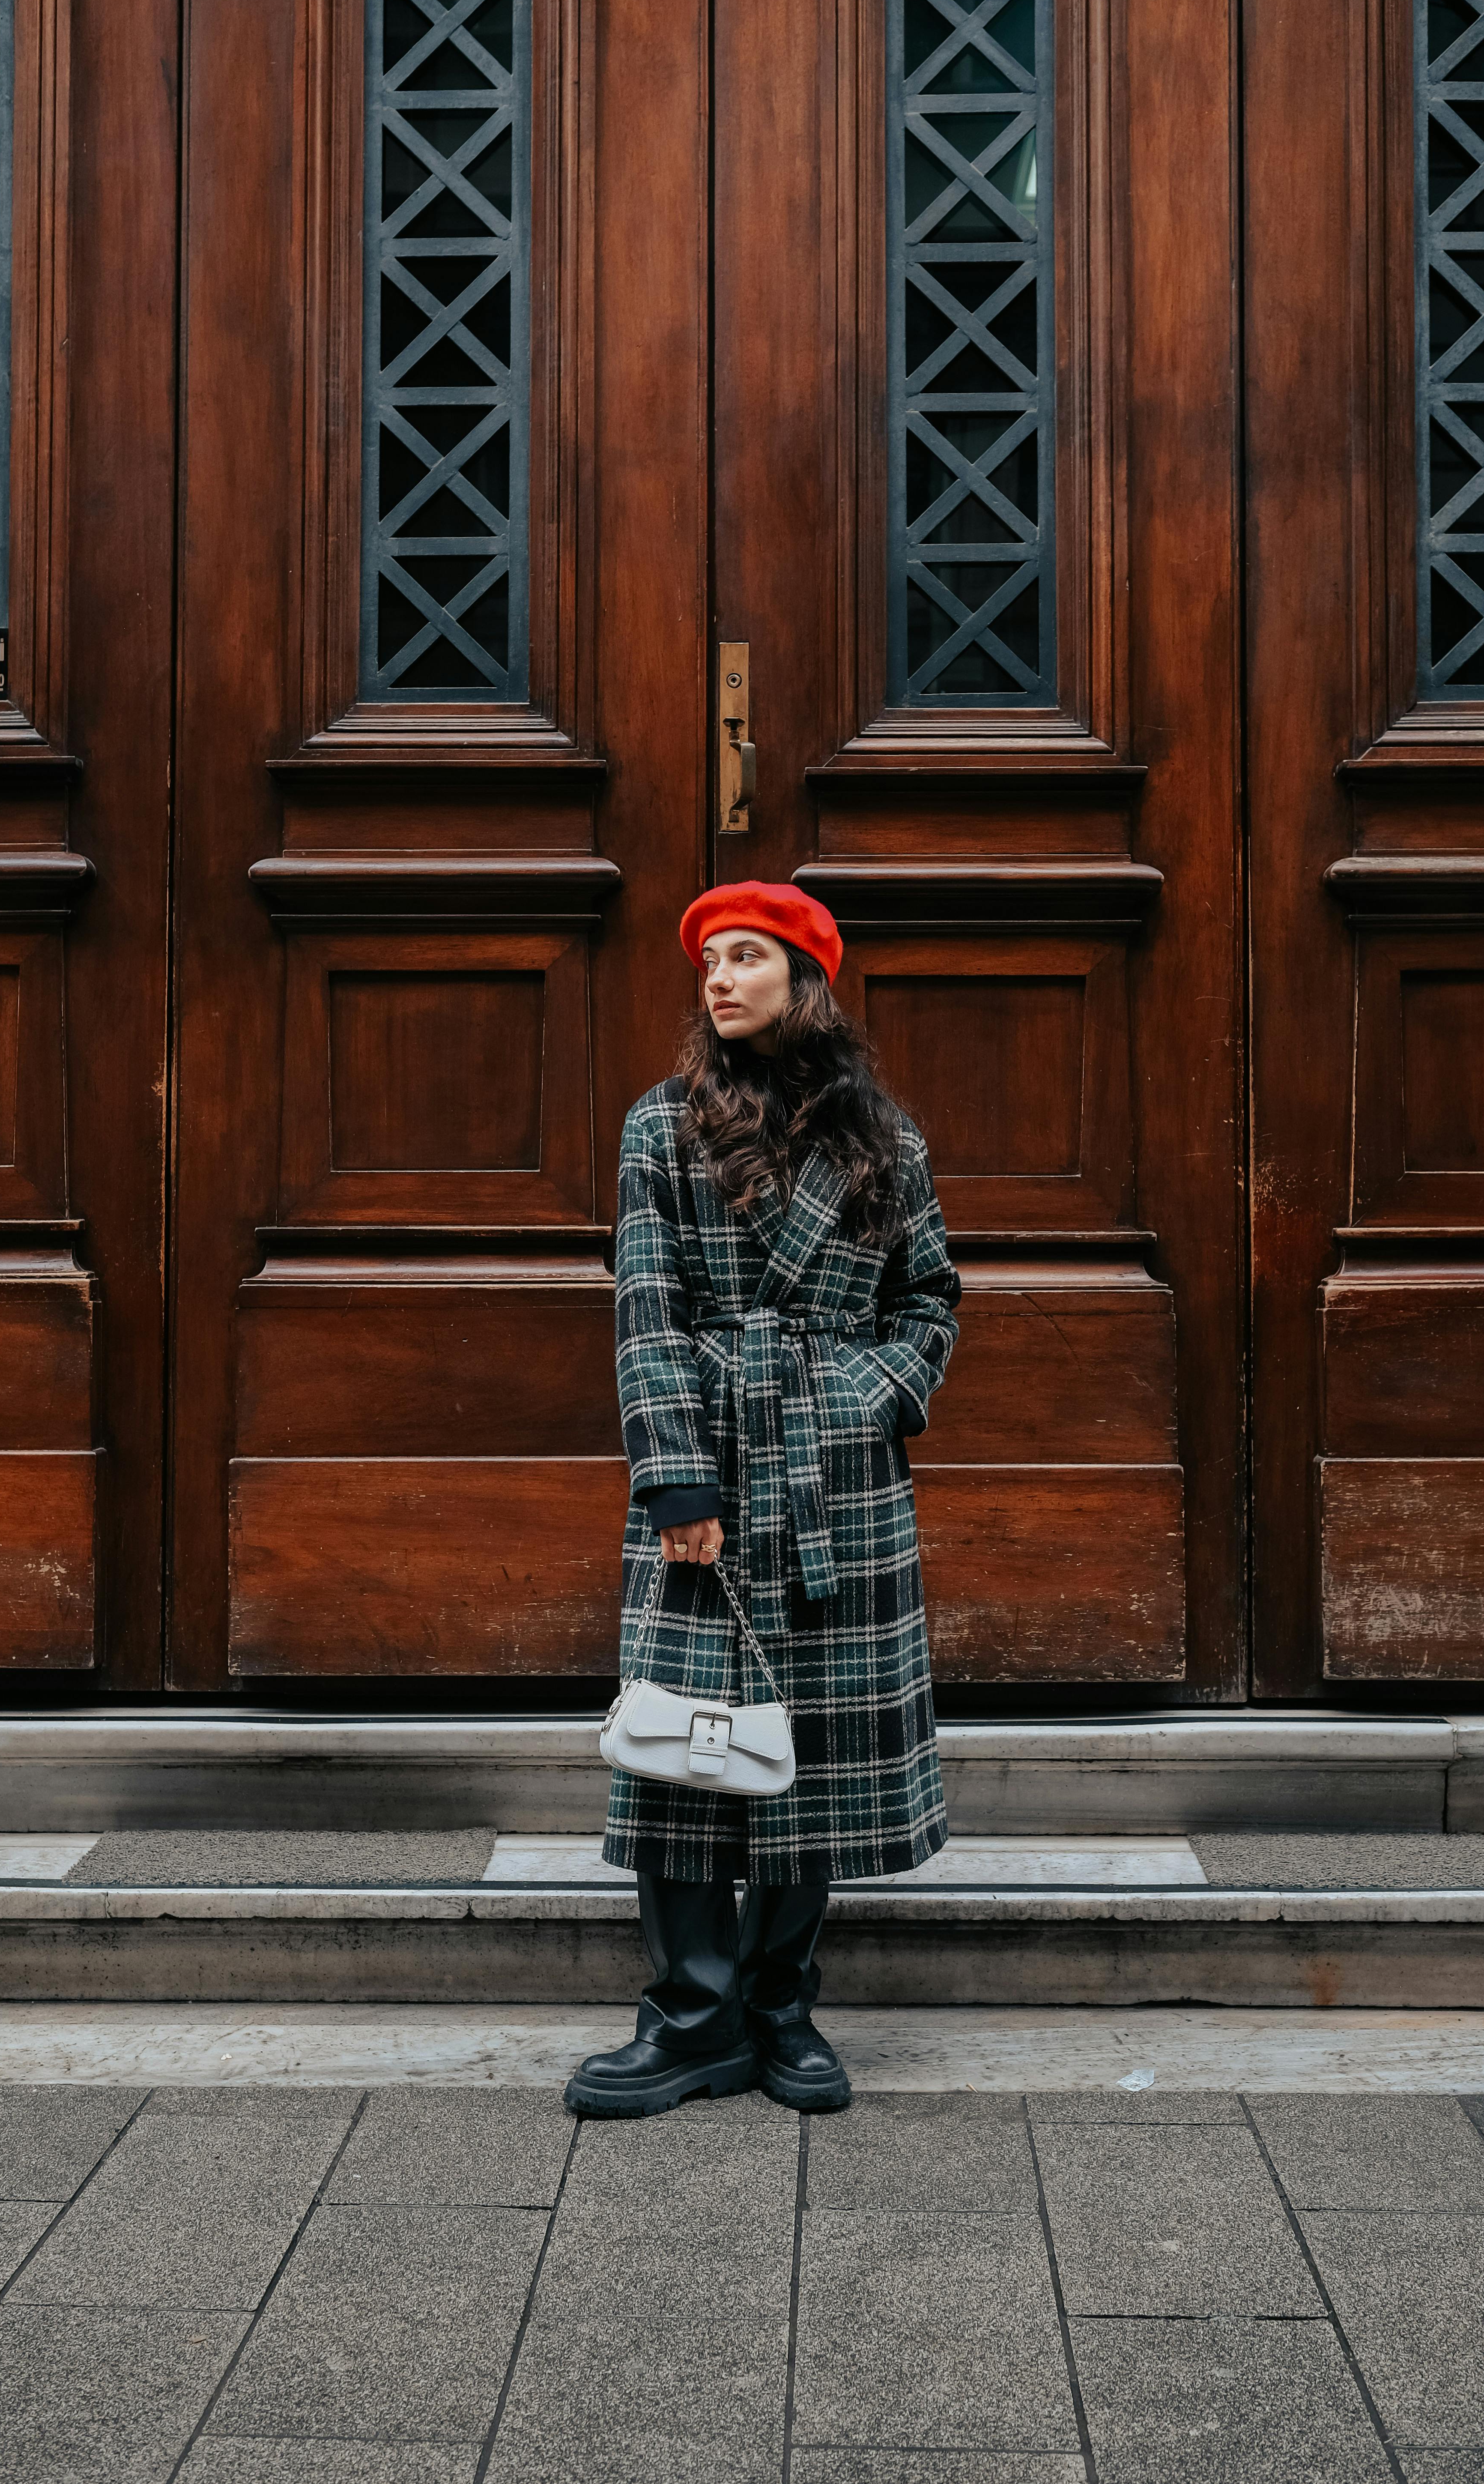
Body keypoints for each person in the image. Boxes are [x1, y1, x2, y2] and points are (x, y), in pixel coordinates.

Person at [565, 880, 962, 2121]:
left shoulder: (887, 1144)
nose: (721, 977)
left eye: (749, 956)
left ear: (806, 975)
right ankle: (691, 2020)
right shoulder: (660, 1128)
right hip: (708, 1461)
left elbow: (931, 1301)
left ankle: (784, 2010)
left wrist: (865, 1397)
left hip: (836, 1477)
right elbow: (647, 1306)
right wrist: (673, 1470)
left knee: (818, 1755)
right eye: (710, 961)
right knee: (685, 1751)